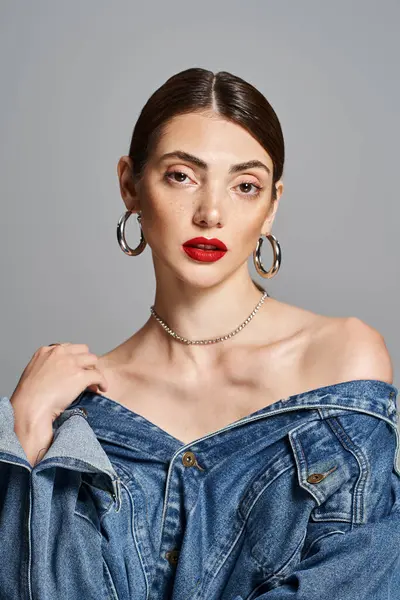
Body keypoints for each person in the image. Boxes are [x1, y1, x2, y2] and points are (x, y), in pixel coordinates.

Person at [1, 67, 399, 600]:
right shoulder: (77, 413)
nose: (211, 212)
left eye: (245, 186)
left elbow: (359, 578)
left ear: (271, 205)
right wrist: (23, 425)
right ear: (130, 185)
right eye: (182, 176)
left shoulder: (341, 358)